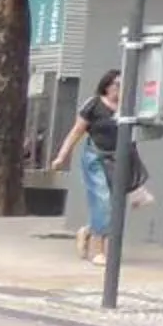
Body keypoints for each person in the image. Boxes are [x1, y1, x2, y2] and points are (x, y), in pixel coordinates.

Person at [49, 69, 123, 264]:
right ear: (107, 85)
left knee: (112, 206)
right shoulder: (94, 104)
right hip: (95, 158)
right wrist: (61, 157)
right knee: (102, 200)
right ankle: (99, 250)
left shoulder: (126, 108)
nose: (121, 88)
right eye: (117, 84)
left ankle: (87, 230)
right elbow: (76, 132)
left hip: (116, 159)